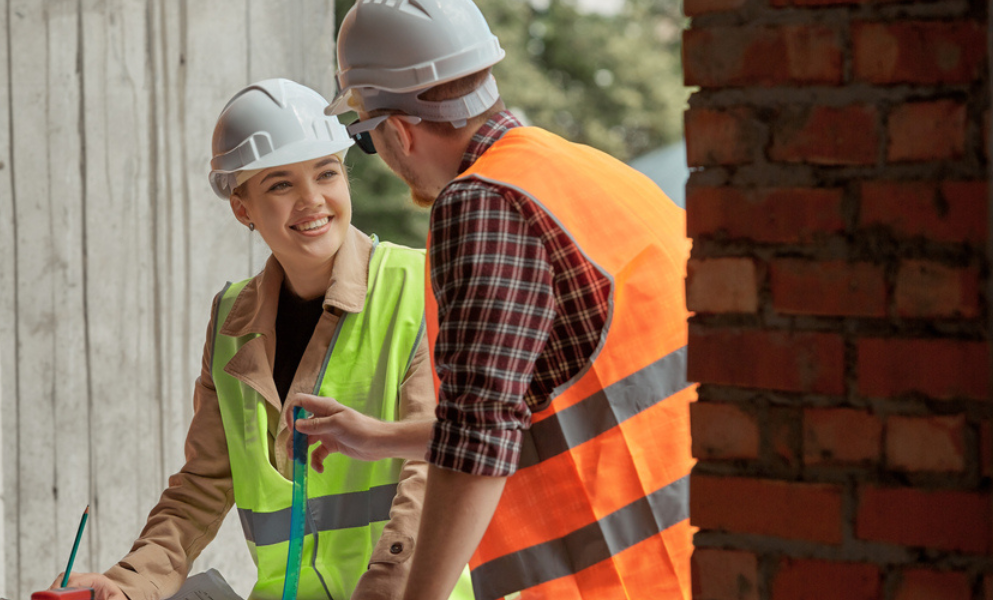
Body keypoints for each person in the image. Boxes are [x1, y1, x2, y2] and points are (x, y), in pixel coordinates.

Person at [284, 2, 696, 598]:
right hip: (706, 549)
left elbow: (481, 435)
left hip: (623, 579)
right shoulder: (584, 170)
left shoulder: (482, 204)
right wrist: (382, 438)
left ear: (399, 129)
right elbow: (556, 399)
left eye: (368, 141)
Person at [52, 78, 441, 600]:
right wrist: (126, 585)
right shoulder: (233, 319)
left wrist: (387, 589)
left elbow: (433, 469)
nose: (311, 201)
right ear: (243, 208)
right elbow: (202, 486)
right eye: (280, 184)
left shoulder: (419, 287)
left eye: (326, 173)